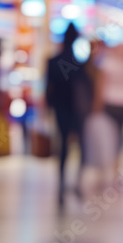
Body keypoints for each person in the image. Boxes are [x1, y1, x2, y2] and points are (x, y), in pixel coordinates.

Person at [45, 23, 92, 207]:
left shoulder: (53, 61)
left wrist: (47, 108)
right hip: (77, 109)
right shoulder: (79, 63)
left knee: (63, 145)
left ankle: (61, 184)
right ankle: (77, 183)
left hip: (60, 108)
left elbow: (48, 89)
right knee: (80, 146)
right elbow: (87, 88)